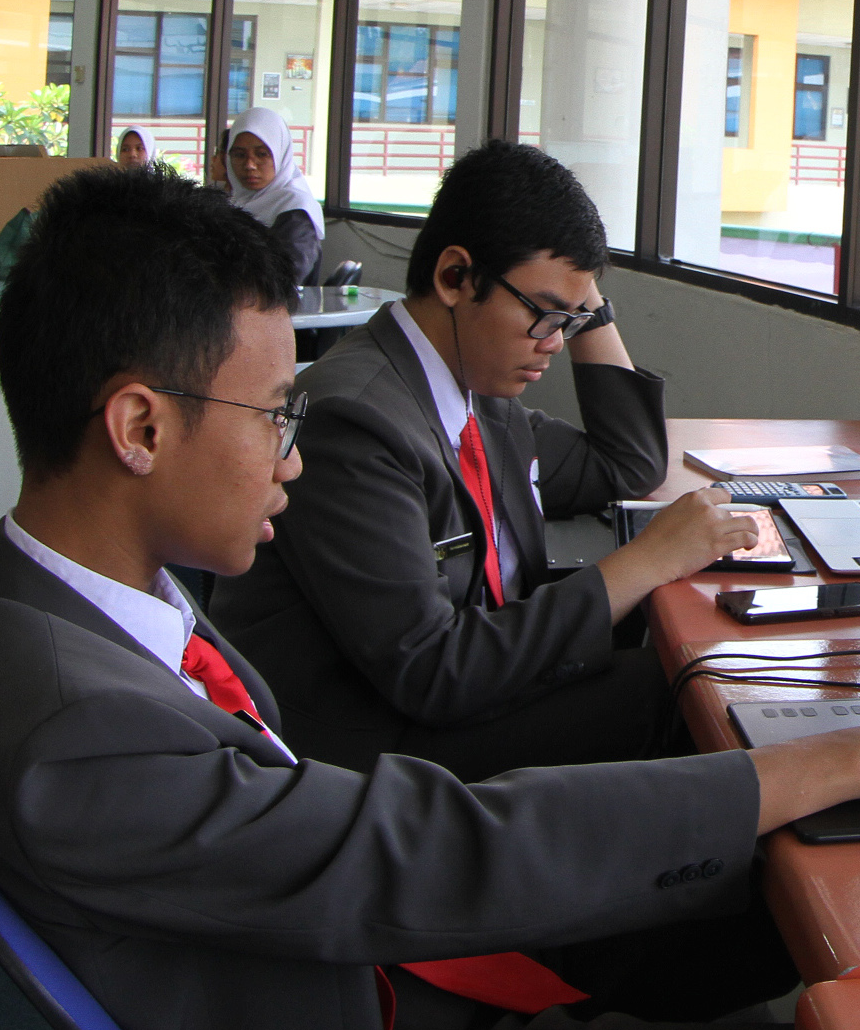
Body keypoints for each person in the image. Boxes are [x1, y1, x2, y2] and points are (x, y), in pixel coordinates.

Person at [0, 162, 860, 1030]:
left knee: (786, 907)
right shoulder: (73, 727)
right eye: (275, 412)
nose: (293, 448)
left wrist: (839, 777)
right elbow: (418, 842)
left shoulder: (97, 611)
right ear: (138, 425)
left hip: (384, 964)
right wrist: (848, 756)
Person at [209, 141, 716, 780]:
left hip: (465, 694)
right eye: (546, 315)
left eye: (573, 320)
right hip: (374, 752)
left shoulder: (479, 396)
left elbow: (625, 463)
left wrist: (585, 304)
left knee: (687, 674)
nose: (556, 344)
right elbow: (432, 670)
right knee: (678, 694)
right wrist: (647, 561)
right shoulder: (355, 420)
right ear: (455, 277)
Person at [225, 106, 323, 284]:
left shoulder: (295, 208)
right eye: (239, 155)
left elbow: (284, 277)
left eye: (262, 154)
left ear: (280, 154)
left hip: (280, 309)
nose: (249, 165)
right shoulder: (234, 203)